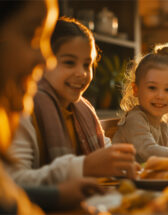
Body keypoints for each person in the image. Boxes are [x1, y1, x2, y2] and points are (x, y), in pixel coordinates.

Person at [0, 0, 105, 213]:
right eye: (33, 36)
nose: (46, 59)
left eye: (88, 64)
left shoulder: (82, 109)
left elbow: (8, 195)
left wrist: (58, 196)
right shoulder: (28, 110)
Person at [6, 17, 137, 186]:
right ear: (45, 60)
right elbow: (14, 183)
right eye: (69, 62)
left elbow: (105, 152)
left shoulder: (83, 109)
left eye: (87, 64)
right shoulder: (23, 109)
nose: (82, 73)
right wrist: (82, 167)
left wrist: (124, 164)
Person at [112, 43, 168, 163]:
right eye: (152, 88)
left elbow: (158, 160)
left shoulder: (162, 124)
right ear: (136, 89)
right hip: (120, 179)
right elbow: (148, 151)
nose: (160, 96)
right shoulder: (135, 118)